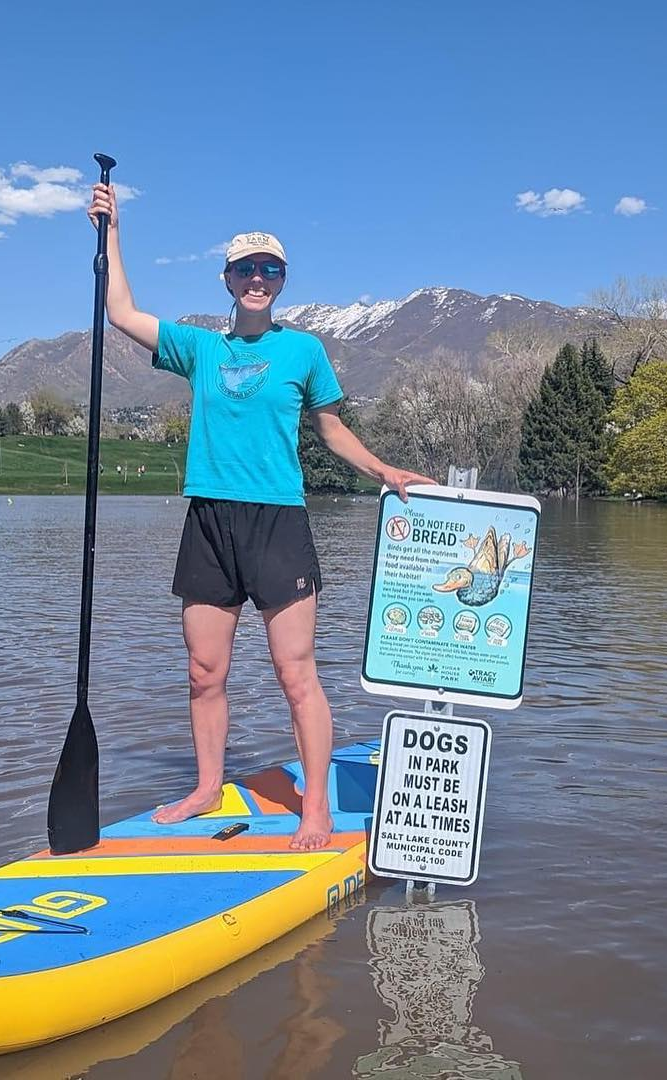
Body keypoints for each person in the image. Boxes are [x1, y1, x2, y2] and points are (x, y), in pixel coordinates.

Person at [86, 183, 433, 850]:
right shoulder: (199, 349)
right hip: (211, 522)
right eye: (245, 269)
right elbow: (121, 311)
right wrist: (112, 232)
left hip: (278, 523)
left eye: (269, 269)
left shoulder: (303, 351)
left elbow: (332, 431)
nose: (256, 279)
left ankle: (316, 811)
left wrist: (384, 471)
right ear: (227, 280)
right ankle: (207, 787)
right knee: (203, 672)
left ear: (281, 281)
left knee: (295, 672)